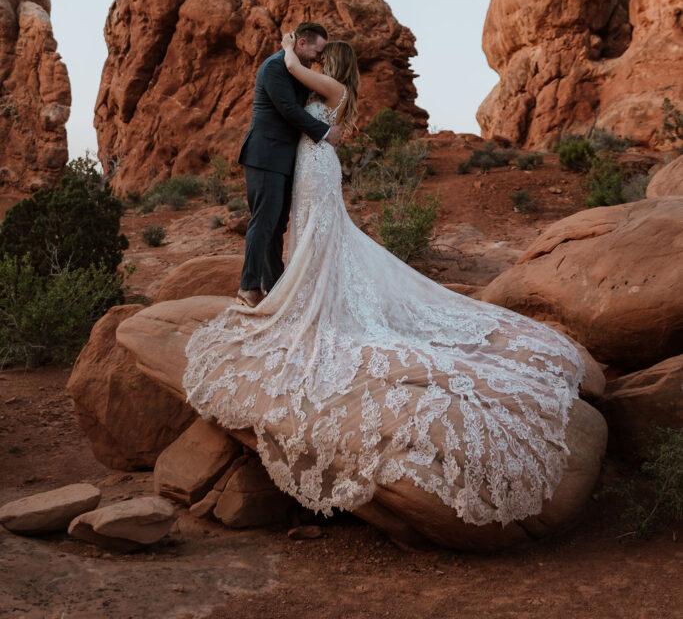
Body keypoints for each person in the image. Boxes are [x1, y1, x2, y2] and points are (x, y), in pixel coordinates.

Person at [183, 32, 585, 528]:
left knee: (316, 232)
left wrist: (290, 46)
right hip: (305, 161)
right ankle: (289, 285)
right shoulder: (317, 83)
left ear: (334, 62)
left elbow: (297, 79)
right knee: (308, 230)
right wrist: (293, 57)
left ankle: (285, 289)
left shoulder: (326, 84)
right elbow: (292, 97)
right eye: (317, 50)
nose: (318, 58)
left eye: (325, 54)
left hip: (314, 161)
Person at [236, 22, 344, 308]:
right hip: (265, 155)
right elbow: (289, 111)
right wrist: (324, 132)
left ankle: (273, 288)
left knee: (277, 224)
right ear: (301, 44)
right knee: (264, 220)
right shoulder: (274, 67)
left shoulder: (295, 68)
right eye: (317, 51)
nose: (319, 58)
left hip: (284, 159)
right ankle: (248, 287)